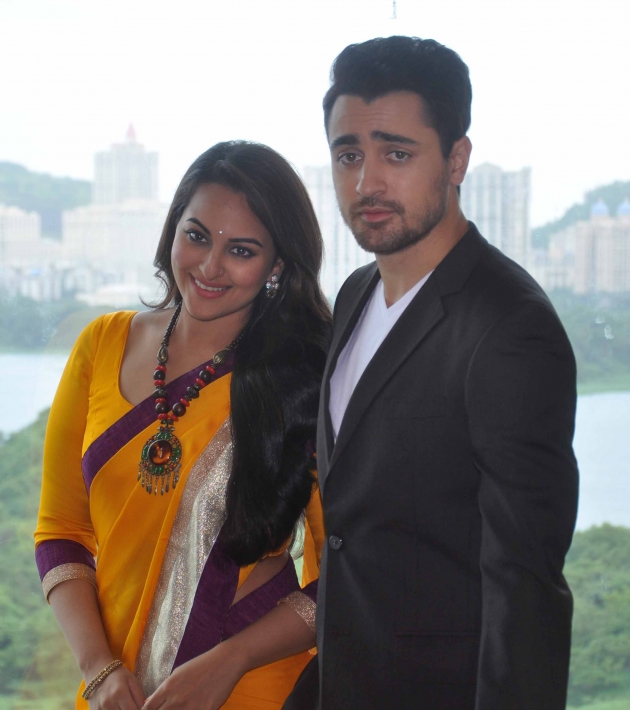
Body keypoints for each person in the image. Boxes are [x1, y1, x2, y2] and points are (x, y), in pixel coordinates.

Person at [284, 36, 579, 710]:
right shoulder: (355, 293)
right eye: (348, 155)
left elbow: (525, 589)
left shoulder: (510, 328)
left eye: (397, 154)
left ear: (456, 159)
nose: (366, 183)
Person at [34, 141, 331, 710]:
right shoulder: (102, 346)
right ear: (172, 229)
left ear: (277, 266)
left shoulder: (306, 381)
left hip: (250, 684)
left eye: (241, 250)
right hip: (115, 689)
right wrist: (99, 668)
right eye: (196, 236)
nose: (209, 266)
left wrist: (231, 660)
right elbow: (60, 531)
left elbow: (347, 567)